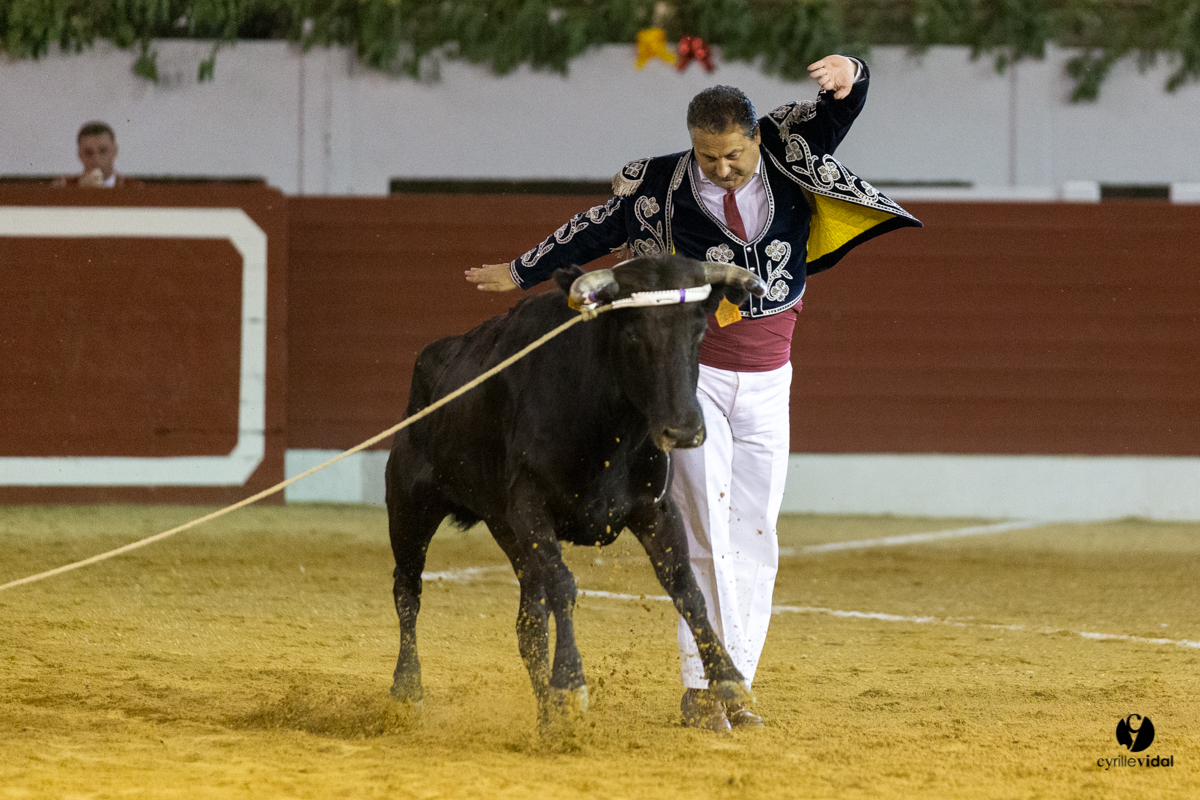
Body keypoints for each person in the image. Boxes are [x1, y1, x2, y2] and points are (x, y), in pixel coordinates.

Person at [466, 56, 920, 732]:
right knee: (704, 528)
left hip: (771, 379)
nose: (721, 168)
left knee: (757, 531)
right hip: (693, 376)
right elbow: (596, 227)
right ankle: (704, 681)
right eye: (708, 156)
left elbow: (841, 109)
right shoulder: (658, 185)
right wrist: (521, 269)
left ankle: (736, 682)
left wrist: (853, 71)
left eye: (732, 155)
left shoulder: (793, 152)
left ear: (754, 141)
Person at [52, 122, 142, 188]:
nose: (96, 159)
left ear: (115, 151)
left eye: (103, 151)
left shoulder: (135, 188)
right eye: (88, 153)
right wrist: (80, 190)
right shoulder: (62, 187)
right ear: (80, 155)